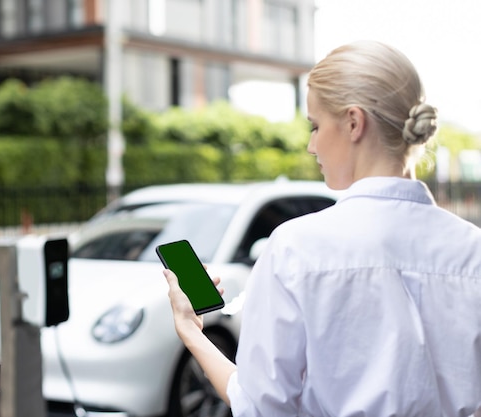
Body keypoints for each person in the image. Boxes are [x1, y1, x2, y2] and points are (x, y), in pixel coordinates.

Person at [163, 40, 481, 417]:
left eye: (315, 126)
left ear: (353, 122)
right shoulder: (472, 249)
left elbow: (262, 406)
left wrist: (190, 332)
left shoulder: (295, 248)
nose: (312, 146)